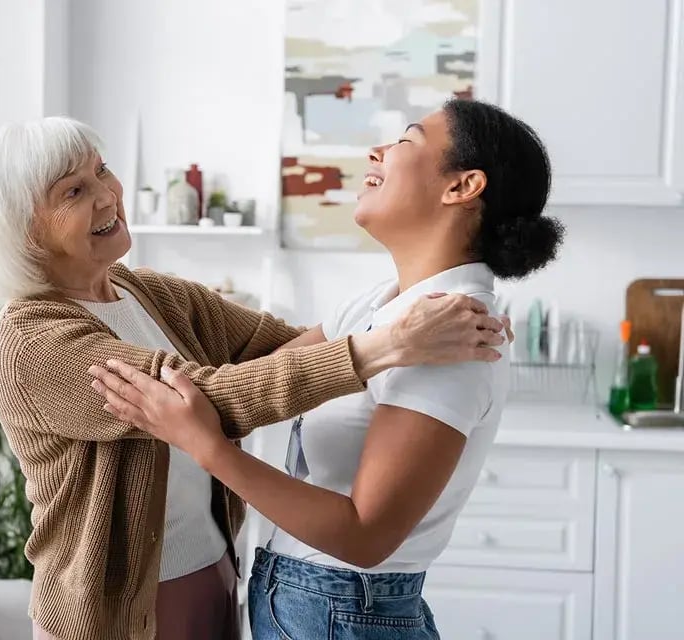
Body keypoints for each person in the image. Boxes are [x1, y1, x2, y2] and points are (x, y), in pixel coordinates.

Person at [0, 116, 509, 640]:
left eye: (101, 170)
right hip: (116, 612)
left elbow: (278, 350)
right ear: (23, 230)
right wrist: (387, 343)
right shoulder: (31, 342)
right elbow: (200, 403)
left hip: (215, 579)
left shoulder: (151, 294)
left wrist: (399, 315)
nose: (105, 195)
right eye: (72, 191)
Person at [89, 100, 564, 640]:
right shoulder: (381, 308)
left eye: (406, 141)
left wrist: (208, 448)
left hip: (342, 610)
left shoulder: (453, 340)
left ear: (461, 186)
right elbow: (270, 377)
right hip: (311, 601)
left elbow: (365, 536)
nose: (376, 151)